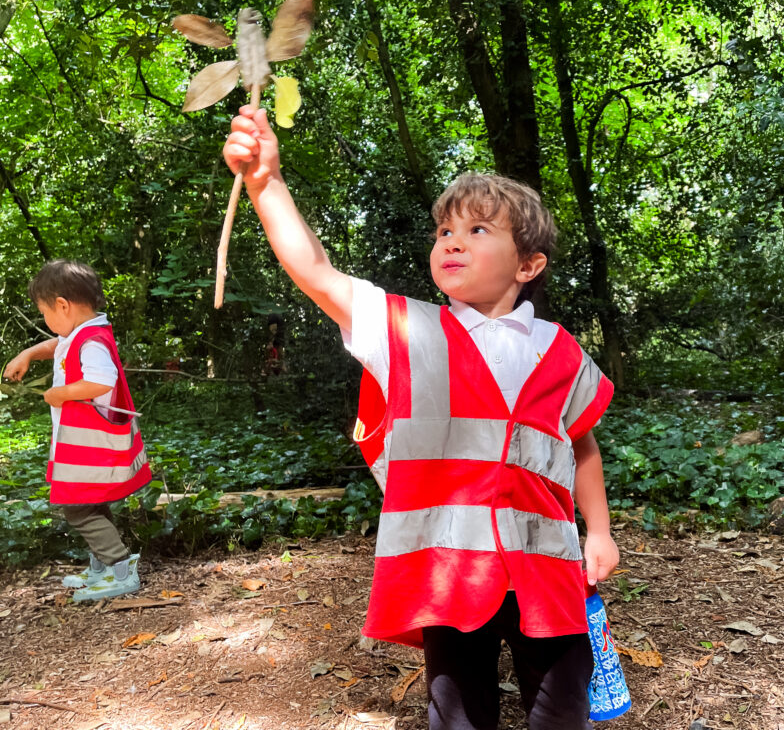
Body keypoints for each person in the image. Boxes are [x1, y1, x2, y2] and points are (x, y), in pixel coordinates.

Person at [224, 105, 620, 730]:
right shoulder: (405, 330)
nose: (453, 241)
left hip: (548, 563)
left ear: (528, 265)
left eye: (478, 230)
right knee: (459, 710)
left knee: (562, 703)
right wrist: (265, 182)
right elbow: (316, 273)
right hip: (448, 567)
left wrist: (597, 532)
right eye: (443, 232)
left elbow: (583, 445)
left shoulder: (562, 351)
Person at [3, 260, 150, 602]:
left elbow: (100, 381)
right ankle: (101, 568)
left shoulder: (92, 341)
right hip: (84, 445)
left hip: (91, 445)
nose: (46, 321)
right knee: (92, 502)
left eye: (44, 312)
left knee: (77, 507)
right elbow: (60, 345)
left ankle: (121, 569)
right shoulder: (83, 332)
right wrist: (28, 353)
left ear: (62, 306)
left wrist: (59, 394)